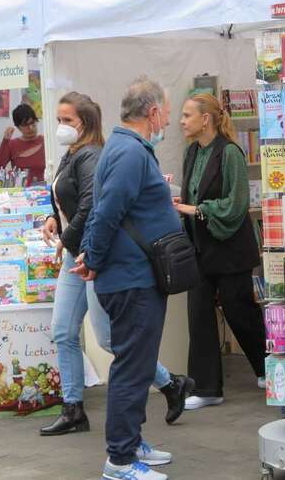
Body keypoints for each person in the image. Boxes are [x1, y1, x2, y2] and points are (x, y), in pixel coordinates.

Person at [40, 92, 193, 440]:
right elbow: (71, 199)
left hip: (94, 257)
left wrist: (76, 243)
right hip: (81, 256)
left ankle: (168, 385)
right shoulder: (74, 154)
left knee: (112, 338)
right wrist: (54, 219)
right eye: (59, 120)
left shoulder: (97, 154)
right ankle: (73, 408)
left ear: (85, 122)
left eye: (67, 120)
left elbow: (97, 208)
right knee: (63, 331)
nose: (61, 127)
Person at [74, 76, 181, 480]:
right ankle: (119, 461)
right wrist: (93, 257)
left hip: (133, 276)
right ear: (152, 112)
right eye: (166, 112)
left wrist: (91, 254)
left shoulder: (123, 148)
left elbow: (103, 209)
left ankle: (131, 444)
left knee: (136, 365)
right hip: (132, 279)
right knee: (132, 370)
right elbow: (106, 212)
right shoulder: (130, 152)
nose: (167, 119)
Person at [175, 93, 267, 411]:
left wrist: (197, 209)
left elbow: (237, 204)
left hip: (230, 250)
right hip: (200, 248)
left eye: (187, 115)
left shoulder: (230, 153)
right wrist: (180, 202)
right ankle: (206, 388)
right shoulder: (191, 153)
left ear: (206, 119)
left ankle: (268, 367)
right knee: (198, 315)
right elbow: (193, 194)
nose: (181, 121)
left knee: (239, 311)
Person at [0, 103, 45, 185]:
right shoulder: (12, 144)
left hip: (45, 189)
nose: (31, 128)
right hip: (21, 191)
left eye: (32, 123)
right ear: (18, 127)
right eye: (25, 125)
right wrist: (5, 141)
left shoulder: (46, 142)